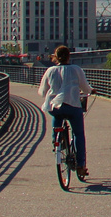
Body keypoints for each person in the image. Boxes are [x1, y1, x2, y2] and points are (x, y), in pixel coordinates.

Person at [38, 46, 94, 180]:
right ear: (69, 56)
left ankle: (56, 141)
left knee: (57, 116)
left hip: (54, 107)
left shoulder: (50, 70)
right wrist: (91, 91)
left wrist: (50, 93)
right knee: (78, 134)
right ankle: (81, 166)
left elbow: (42, 91)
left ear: (55, 57)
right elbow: (85, 87)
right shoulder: (76, 69)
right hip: (73, 105)